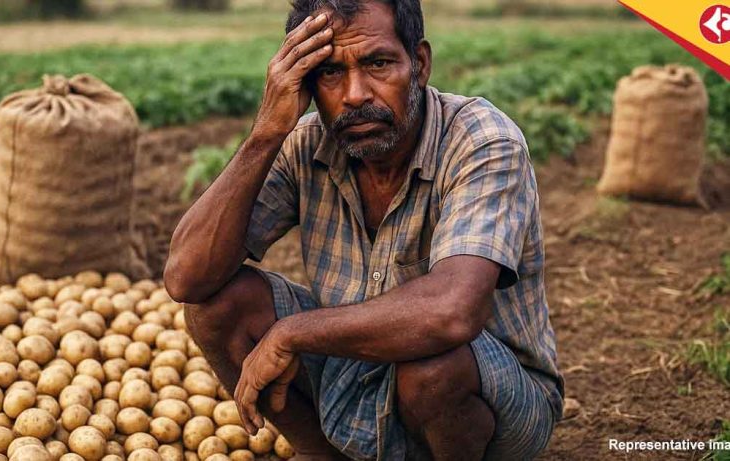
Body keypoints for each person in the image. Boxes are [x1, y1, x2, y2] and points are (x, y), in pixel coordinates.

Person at [164, 0, 563, 459]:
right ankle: (323, 455)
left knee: (432, 368)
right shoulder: (306, 144)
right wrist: (266, 134)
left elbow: (452, 312)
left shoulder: (480, 140)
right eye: (330, 73)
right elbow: (186, 278)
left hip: (497, 406)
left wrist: (292, 332)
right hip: (354, 372)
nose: (354, 94)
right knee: (216, 307)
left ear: (420, 63)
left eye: (378, 64)